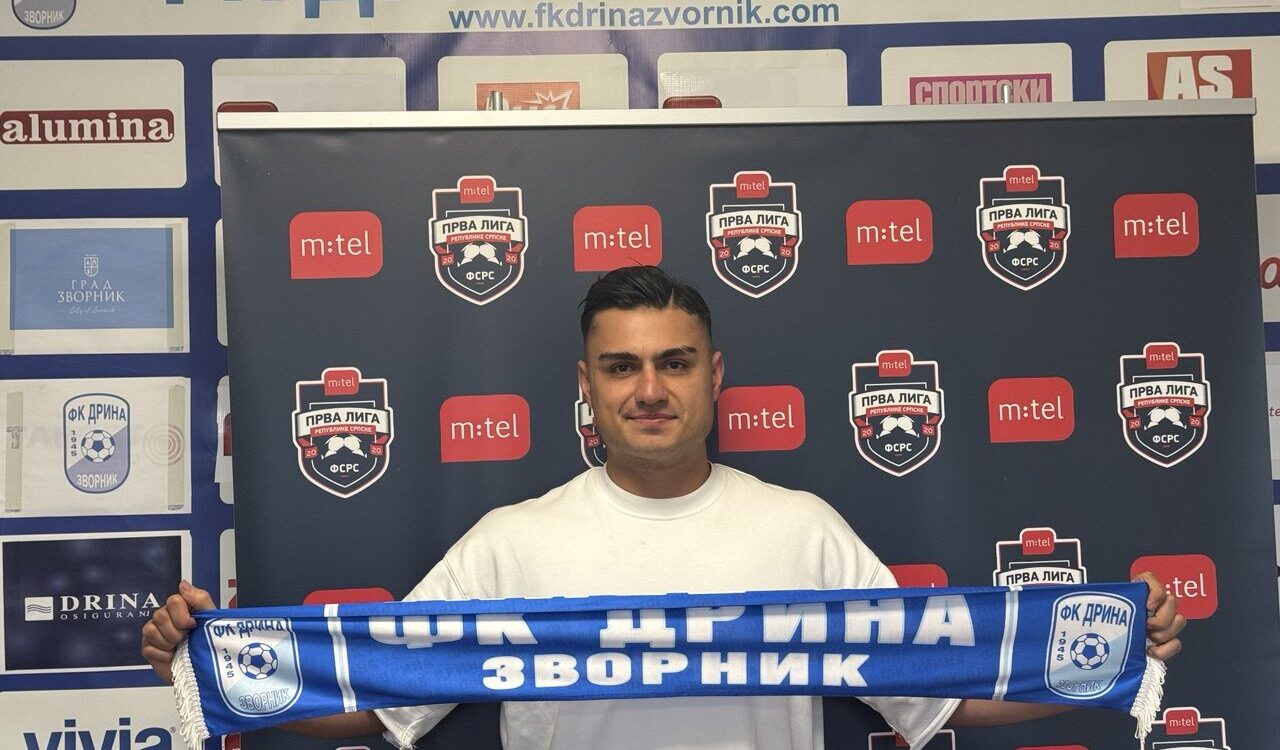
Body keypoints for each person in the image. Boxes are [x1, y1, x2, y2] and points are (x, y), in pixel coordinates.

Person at [143, 266, 1185, 749]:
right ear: (587, 386)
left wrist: (1111, 652)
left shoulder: (801, 528)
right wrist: (211, 664)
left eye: (675, 363)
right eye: (622, 367)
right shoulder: (513, 542)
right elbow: (379, 701)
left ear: (714, 376)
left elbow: (943, 696)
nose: (650, 390)